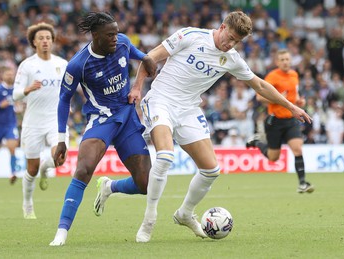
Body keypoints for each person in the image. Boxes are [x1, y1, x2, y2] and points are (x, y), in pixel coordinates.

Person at [130, 11, 312, 243]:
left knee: (211, 170)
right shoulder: (190, 35)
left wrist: (290, 106)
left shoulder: (232, 58)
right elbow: (150, 57)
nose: (231, 44)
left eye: (237, 41)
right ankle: (149, 219)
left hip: (188, 109)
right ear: (222, 27)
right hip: (161, 101)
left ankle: (185, 213)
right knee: (165, 157)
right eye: (231, 37)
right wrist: (137, 87)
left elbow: (259, 85)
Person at [49, 12, 156, 246]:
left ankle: (110, 186)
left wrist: (145, 62)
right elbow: (64, 100)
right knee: (84, 169)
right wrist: (61, 139)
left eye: (116, 33)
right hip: (101, 119)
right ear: (95, 36)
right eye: (110, 35)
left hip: (127, 117)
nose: (115, 39)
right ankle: (62, 232)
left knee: (147, 184)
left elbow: (142, 57)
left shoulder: (124, 43)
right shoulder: (78, 64)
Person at [12, 22, 69, 219]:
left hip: (56, 122)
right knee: (31, 168)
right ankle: (27, 203)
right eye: (41, 38)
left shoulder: (62, 64)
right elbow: (15, 94)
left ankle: (47, 168)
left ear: (52, 41)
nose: (45, 41)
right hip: (33, 123)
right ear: (34, 42)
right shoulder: (27, 65)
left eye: (48, 38)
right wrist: (27, 90)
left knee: (60, 159)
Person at [246, 49, 315, 193]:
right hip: (274, 121)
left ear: (291, 61)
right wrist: (277, 97)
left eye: (287, 59)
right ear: (277, 62)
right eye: (282, 59)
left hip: (291, 119)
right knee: (273, 157)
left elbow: (293, 96)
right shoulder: (272, 76)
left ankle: (302, 183)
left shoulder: (294, 75)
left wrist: (299, 101)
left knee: (297, 148)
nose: (285, 62)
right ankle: (257, 142)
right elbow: (259, 97)